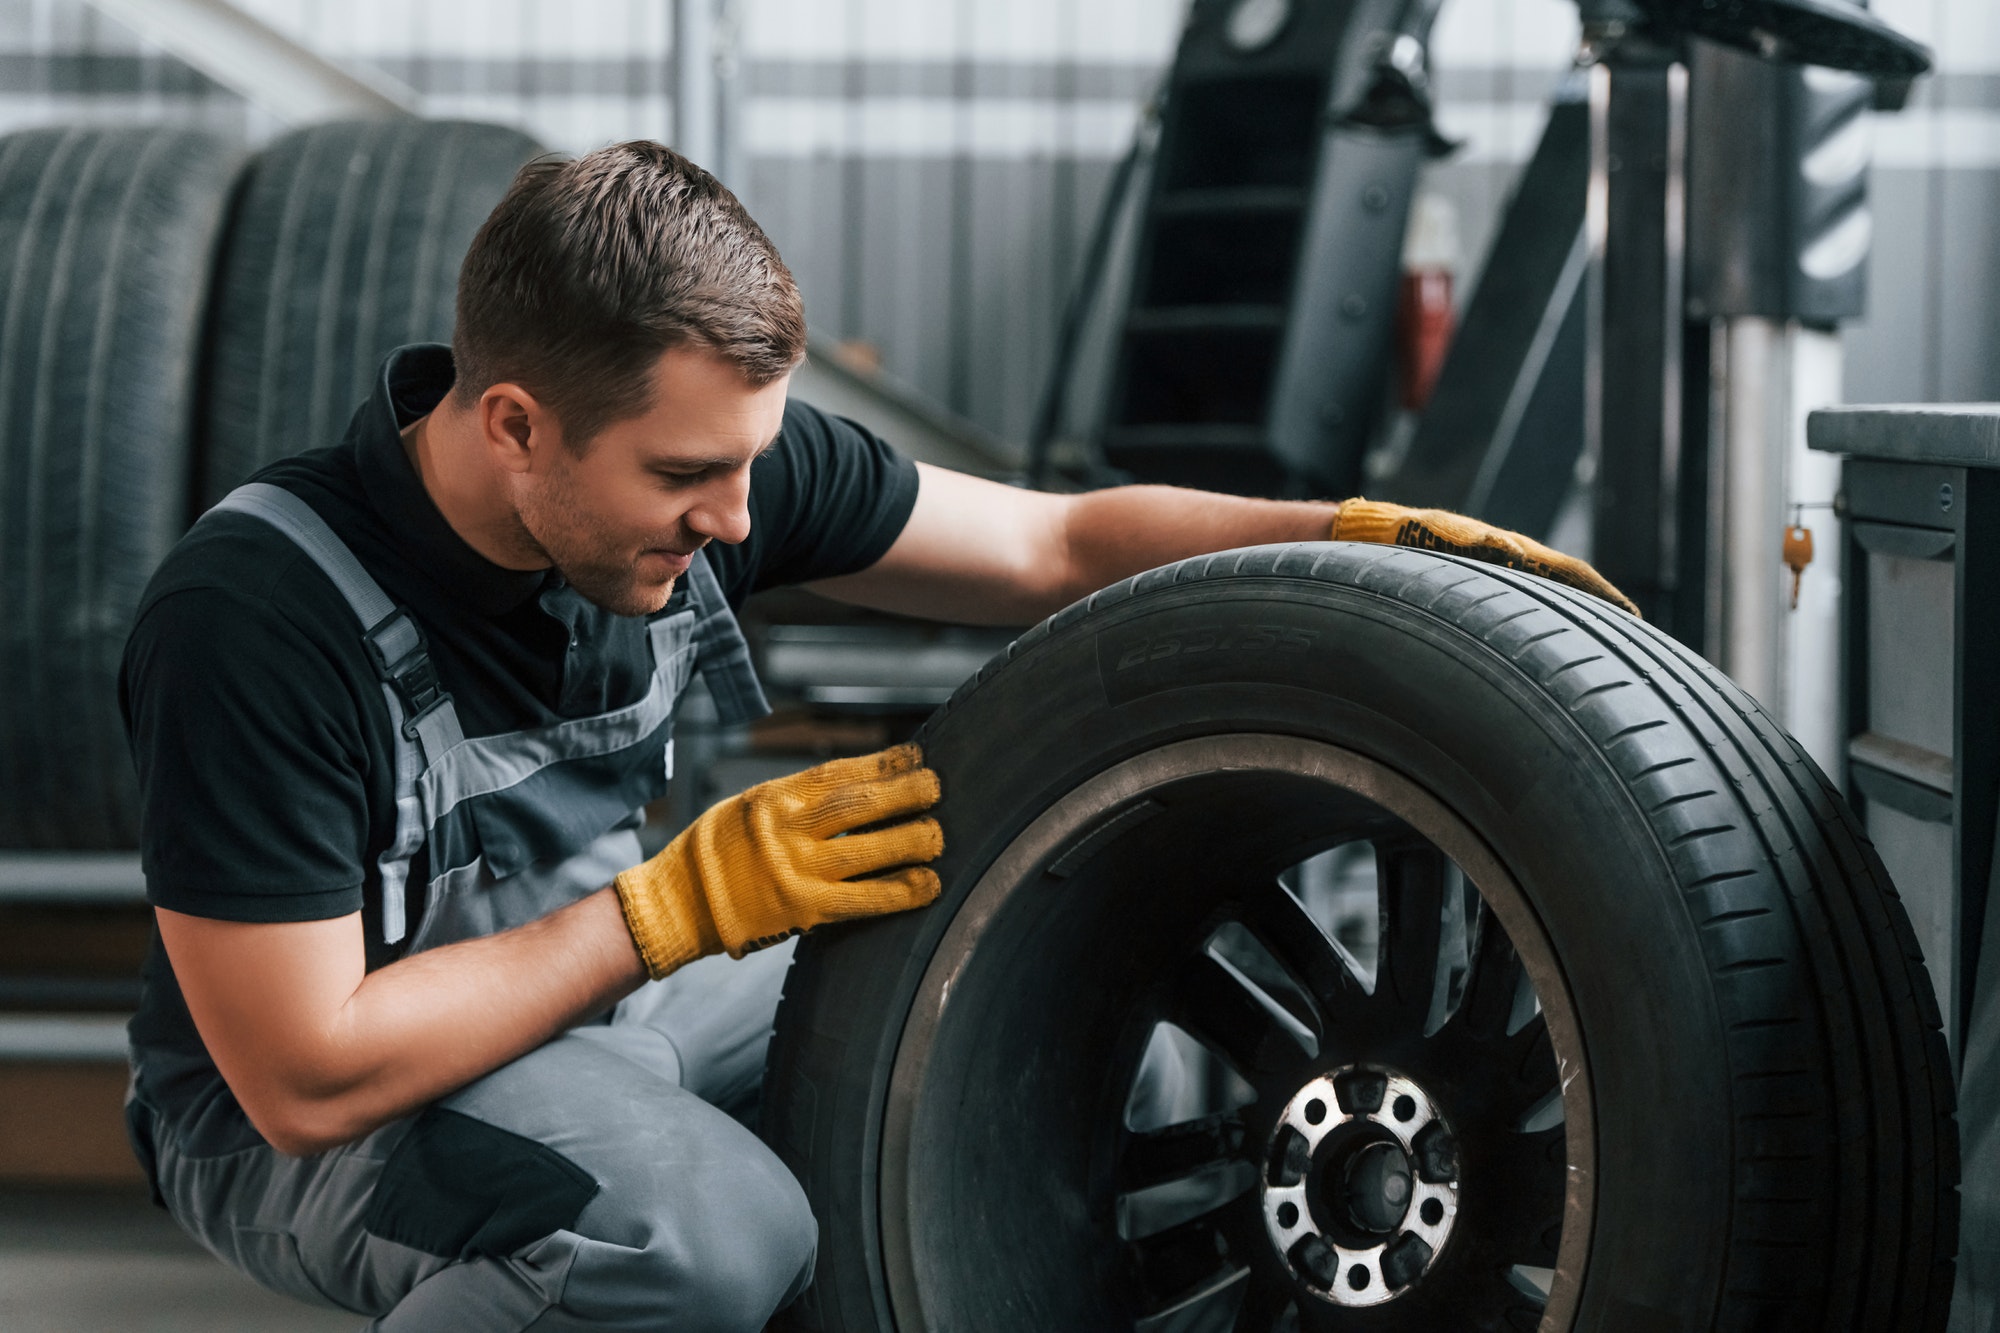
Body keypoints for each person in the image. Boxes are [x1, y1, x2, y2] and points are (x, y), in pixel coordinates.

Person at [119, 140, 1633, 1332]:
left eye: (753, 466)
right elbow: (301, 1072)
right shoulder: (260, 617)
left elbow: (1057, 547)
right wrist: (673, 907)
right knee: (706, 1231)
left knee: (1068, 986)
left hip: (590, 1012)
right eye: (688, 477)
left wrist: (1354, 537)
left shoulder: (697, 464)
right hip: (310, 1116)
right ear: (514, 425)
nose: (734, 520)